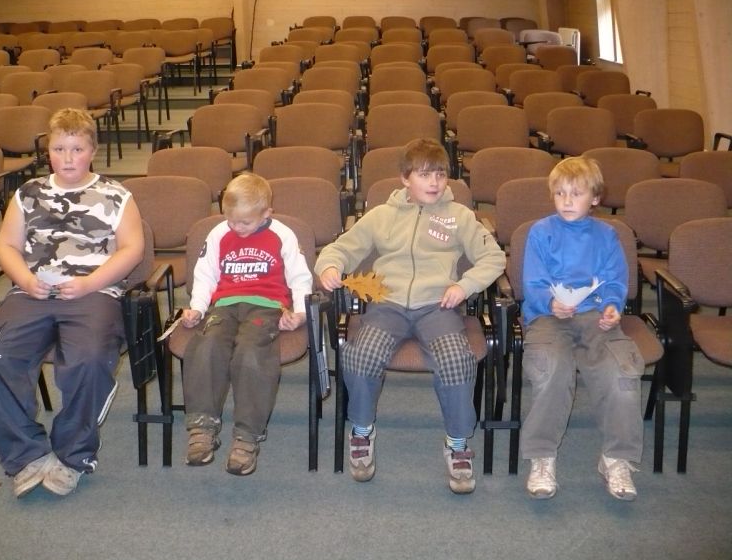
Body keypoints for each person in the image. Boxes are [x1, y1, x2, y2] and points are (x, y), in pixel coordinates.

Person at [315, 138, 505, 493]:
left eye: (440, 174)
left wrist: (464, 286)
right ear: (405, 178)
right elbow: (341, 248)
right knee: (361, 355)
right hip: (387, 306)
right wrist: (329, 266)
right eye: (424, 175)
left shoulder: (459, 217)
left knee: (457, 360)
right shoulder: (382, 216)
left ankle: (457, 444)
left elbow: (493, 258)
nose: (434, 182)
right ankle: (362, 431)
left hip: (437, 307)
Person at [0, 108, 145, 498]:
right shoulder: (28, 193)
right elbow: (7, 245)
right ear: (48, 151)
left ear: (93, 151)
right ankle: (27, 456)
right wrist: (24, 280)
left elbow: (132, 249)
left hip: (95, 293)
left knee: (89, 359)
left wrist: (89, 284)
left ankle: (73, 457)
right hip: (32, 292)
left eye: (77, 149)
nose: (68, 158)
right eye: (59, 149)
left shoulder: (117, 195)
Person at [521, 156, 644, 501]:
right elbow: (533, 281)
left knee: (622, 373)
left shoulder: (606, 235)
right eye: (560, 193)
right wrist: (550, 302)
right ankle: (542, 456)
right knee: (551, 371)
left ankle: (616, 459)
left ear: (595, 198)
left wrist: (612, 307)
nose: (566, 201)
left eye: (576, 194)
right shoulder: (541, 231)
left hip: (595, 317)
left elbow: (615, 281)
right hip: (548, 317)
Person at [180, 173, 313, 476]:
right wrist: (197, 308)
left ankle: (247, 436)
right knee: (206, 346)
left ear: (267, 213)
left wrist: (300, 312)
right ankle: (202, 426)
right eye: (231, 220)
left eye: (245, 223)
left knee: (251, 353)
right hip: (225, 304)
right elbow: (205, 275)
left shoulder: (282, 234)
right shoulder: (219, 233)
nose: (237, 228)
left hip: (266, 306)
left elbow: (300, 277)